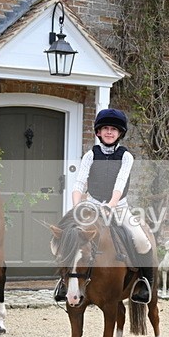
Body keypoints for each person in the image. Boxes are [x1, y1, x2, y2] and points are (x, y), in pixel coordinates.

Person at [55, 108, 154, 303]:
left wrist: (111, 204)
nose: (109, 132)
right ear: (98, 132)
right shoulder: (90, 155)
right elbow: (79, 183)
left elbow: (120, 183)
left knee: (142, 241)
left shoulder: (126, 157)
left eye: (114, 129)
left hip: (118, 208)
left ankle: (143, 283)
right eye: (105, 128)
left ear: (120, 133)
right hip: (90, 206)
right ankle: (63, 281)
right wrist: (77, 207)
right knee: (60, 238)